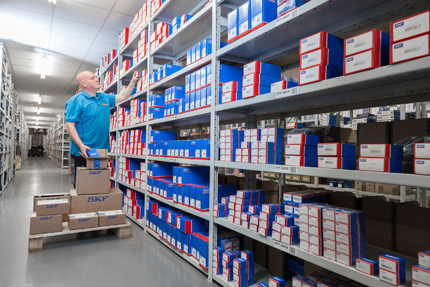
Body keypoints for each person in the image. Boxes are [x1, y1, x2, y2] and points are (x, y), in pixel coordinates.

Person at [65, 71, 140, 186]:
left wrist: (133, 81)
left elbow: (123, 96)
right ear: (84, 83)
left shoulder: (104, 98)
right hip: (83, 152)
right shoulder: (75, 101)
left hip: (101, 152)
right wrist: (81, 145)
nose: (97, 79)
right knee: (82, 187)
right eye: (92, 78)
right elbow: (69, 125)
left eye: (96, 77)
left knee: (100, 186)